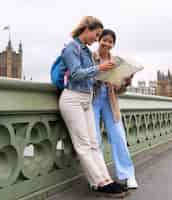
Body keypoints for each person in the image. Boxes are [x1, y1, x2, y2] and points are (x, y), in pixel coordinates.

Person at [59, 16, 128, 198]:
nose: (96, 39)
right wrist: (100, 68)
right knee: (83, 145)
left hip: (86, 99)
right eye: (96, 35)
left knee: (94, 144)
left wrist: (116, 76)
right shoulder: (71, 48)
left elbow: (91, 77)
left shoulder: (87, 52)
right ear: (86, 29)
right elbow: (75, 75)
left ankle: (106, 180)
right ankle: (101, 183)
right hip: (72, 99)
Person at [93, 29, 138, 189]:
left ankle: (128, 175)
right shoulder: (92, 57)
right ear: (99, 40)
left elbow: (119, 90)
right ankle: (98, 178)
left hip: (110, 101)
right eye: (105, 40)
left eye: (110, 42)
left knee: (118, 137)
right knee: (95, 140)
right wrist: (99, 73)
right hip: (92, 100)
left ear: (113, 44)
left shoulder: (116, 61)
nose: (107, 43)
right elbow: (84, 76)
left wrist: (125, 81)